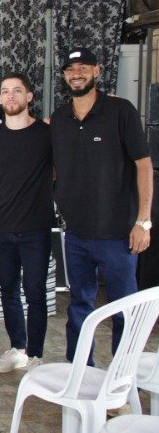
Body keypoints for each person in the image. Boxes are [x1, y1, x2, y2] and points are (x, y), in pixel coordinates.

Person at [51, 47, 152, 364]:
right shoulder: (59, 119)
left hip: (118, 236)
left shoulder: (121, 111)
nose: (76, 74)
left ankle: (123, 378)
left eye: (83, 67)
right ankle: (79, 371)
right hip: (77, 234)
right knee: (79, 307)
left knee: (124, 310)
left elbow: (144, 165)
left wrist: (143, 221)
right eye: (70, 69)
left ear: (97, 71)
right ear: (64, 76)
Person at [0, 73, 52, 373]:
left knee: (35, 292)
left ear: (29, 96)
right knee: (8, 289)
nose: (10, 96)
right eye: (5, 91)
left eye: (17, 91)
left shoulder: (47, 133)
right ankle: (17, 348)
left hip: (37, 227)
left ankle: (35, 355)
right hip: (3, 227)